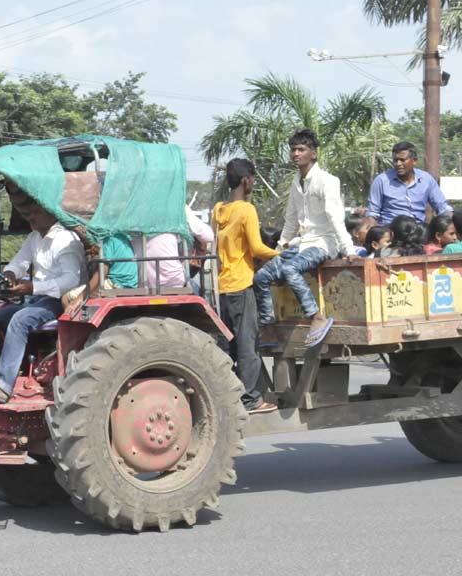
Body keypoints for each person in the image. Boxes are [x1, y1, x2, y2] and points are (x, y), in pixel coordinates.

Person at [0, 198, 86, 403]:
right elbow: (19, 262)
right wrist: (10, 273)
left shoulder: (66, 241)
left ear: (51, 214)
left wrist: (33, 287)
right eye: (29, 214)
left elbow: (71, 281)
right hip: (37, 298)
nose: (30, 218)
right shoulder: (34, 237)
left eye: (35, 213)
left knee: (20, 319)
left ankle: (4, 385)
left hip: (59, 300)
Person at [253, 129, 355, 347]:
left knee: (290, 270)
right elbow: (291, 219)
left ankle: (316, 317)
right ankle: (269, 327)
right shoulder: (296, 183)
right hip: (303, 243)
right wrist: (280, 250)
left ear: (314, 153)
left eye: (301, 149)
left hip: (323, 243)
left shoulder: (327, 181)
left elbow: (335, 217)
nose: (296, 154)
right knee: (261, 277)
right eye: (293, 150)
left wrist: (348, 249)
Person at [212, 158, 280, 414]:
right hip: (241, 283)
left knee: (228, 344)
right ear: (246, 180)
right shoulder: (246, 210)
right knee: (247, 344)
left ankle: (229, 395)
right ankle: (251, 399)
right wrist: (282, 253)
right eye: (253, 179)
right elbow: (257, 248)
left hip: (222, 285)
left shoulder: (218, 210)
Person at [367, 141, 452, 225]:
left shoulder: (426, 180)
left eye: (402, 160)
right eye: (395, 160)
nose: (398, 164)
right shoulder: (381, 181)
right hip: (390, 231)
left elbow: (443, 209)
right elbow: (373, 214)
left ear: (414, 161)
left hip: (418, 231)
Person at [143, 208, 213, 291]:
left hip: (143, 280)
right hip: (172, 281)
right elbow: (209, 236)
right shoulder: (176, 204)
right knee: (201, 293)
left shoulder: (137, 206)